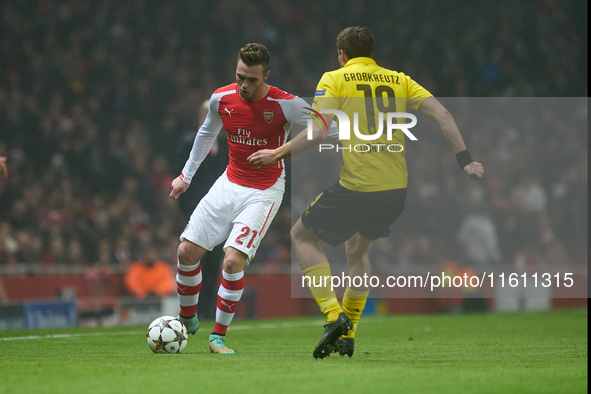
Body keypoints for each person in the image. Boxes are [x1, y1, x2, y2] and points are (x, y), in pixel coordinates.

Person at [248, 26, 484, 359]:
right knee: (357, 251)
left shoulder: (335, 78)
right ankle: (349, 334)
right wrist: (465, 161)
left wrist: (276, 153)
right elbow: (442, 114)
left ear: (342, 55)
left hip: (358, 187)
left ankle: (333, 317)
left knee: (301, 236)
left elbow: (317, 133)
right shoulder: (399, 79)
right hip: (395, 191)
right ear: (370, 53)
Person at [169, 43, 312, 354]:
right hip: (229, 183)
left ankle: (217, 336)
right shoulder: (222, 98)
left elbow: (324, 127)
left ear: (266, 76)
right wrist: (186, 177)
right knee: (185, 252)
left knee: (232, 261)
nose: (244, 85)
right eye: (240, 77)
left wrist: (279, 152)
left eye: (251, 79)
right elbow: (205, 134)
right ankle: (187, 316)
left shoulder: (286, 104)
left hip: (264, 191)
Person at [173, 99, 228, 321]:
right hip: (196, 210)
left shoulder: (225, 145)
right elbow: (180, 174)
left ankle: (206, 309)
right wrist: (187, 210)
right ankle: (190, 309)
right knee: (194, 258)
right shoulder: (188, 143)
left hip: (220, 212)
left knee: (214, 261)